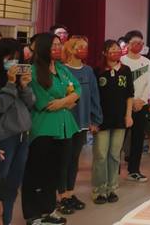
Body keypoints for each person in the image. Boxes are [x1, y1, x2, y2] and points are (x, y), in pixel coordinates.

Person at [21, 33, 81, 225]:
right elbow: (44, 102)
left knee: (55, 173)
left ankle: (49, 210)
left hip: (65, 128)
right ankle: (34, 214)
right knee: (37, 172)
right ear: (43, 48)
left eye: (59, 44)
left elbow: (77, 90)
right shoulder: (33, 71)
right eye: (53, 45)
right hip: (44, 129)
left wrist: (64, 100)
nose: (58, 48)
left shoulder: (61, 69)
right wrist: (68, 101)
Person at [0, 38, 35, 225]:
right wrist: (11, 83)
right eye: (9, 58)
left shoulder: (18, 78)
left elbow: (31, 102)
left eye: (16, 58)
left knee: (13, 184)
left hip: (22, 135)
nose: (13, 62)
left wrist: (24, 86)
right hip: (3, 138)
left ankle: (6, 220)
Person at [57, 36, 103, 214]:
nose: (84, 50)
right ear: (70, 49)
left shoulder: (88, 71)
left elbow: (94, 96)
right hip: (65, 122)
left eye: (86, 47)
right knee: (63, 159)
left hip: (82, 122)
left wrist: (95, 119)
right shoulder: (61, 69)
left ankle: (70, 193)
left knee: (74, 159)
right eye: (80, 46)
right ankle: (61, 196)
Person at [92, 40, 134, 205]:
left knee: (115, 155)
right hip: (101, 120)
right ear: (104, 52)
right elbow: (93, 97)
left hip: (120, 120)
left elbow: (129, 95)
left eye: (117, 49)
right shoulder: (97, 71)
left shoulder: (125, 70)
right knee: (101, 155)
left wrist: (128, 115)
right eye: (112, 50)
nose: (115, 52)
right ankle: (99, 189)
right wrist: (93, 120)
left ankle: (111, 188)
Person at [120, 30, 150, 183]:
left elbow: (149, 82)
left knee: (138, 139)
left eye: (141, 43)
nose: (138, 45)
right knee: (120, 139)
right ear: (127, 44)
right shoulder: (121, 61)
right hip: (124, 105)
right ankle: (113, 171)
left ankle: (134, 170)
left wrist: (142, 100)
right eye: (135, 43)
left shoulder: (147, 62)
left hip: (141, 105)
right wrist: (131, 101)